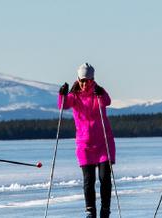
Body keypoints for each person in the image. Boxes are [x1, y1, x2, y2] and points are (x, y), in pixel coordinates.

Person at [58, 63, 116, 218]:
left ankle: (105, 210)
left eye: (88, 80)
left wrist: (101, 92)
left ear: (92, 79)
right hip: (84, 145)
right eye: (82, 80)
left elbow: (107, 101)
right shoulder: (74, 96)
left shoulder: (99, 93)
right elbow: (63, 105)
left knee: (105, 179)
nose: (85, 84)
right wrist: (62, 94)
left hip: (104, 143)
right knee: (88, 181)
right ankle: (90, 210)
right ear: (78, 79)